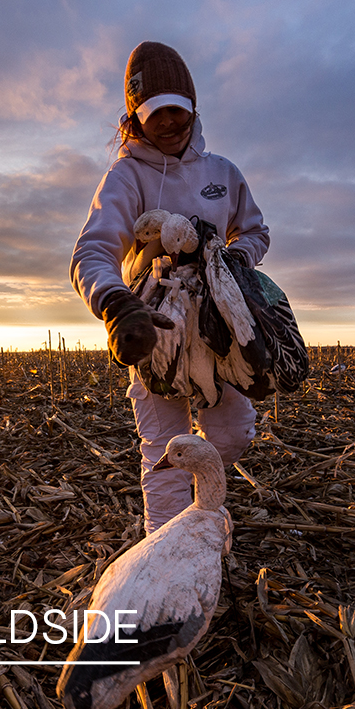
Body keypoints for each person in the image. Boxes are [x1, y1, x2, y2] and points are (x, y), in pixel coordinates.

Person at [70, 41, 270, 535]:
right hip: (155, 328)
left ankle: (197, 508)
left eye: (177, 110)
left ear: (193, 107)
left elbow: (255, 230)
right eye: (155, 113)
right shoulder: (126, 175)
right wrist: (116, 303)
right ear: (135, 118)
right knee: (162, 449)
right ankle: (164, 561)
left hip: (218, 331)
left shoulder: (223, 173)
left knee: (235, 432)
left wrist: (233, 264)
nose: (168, 122)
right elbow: (91, 252)